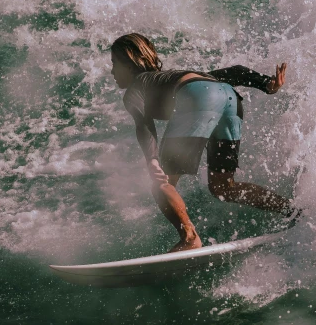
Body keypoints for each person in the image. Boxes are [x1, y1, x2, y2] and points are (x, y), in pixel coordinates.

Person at [111, 33, 299, 253]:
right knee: (223, 186)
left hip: (199, 97)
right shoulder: (172, 77)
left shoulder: (137, 87)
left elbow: (143, 126)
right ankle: (292, 210)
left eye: (114, 64)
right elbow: (232, 73)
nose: (112, 72)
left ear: (130, 62)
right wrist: (267, 84)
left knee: (162, 182)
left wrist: (152, 160)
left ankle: (189, 237)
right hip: (229, 98)